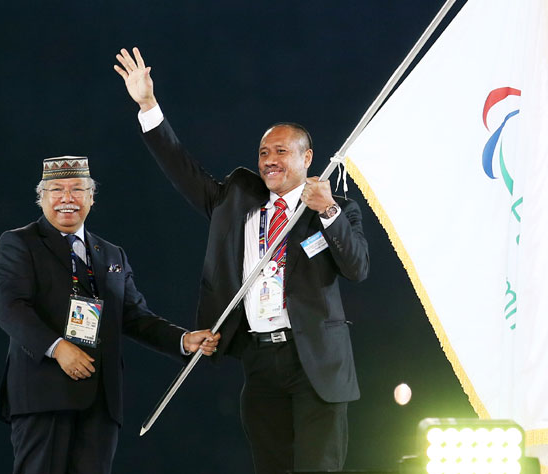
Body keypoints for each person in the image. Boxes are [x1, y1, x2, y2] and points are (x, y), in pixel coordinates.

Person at [114, 47, 369, 474]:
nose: (269, 160)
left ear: (307, 158)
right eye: (264, 152)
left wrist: (328, 212)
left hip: (316, 362)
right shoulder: (237, 198)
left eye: (281, 151)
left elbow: (358, 268)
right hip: (259, 358)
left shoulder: (334, 208)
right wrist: (148, 105)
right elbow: (182, 168)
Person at [0, 155, 220, 474]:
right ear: (41, 197)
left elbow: (135, 316)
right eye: (56, 189)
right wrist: (58, 348)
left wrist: (183, 340)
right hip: (43, 395)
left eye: (77, 189)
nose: (67, 198)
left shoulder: (111, 254)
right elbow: (9, 307)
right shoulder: (19, 243)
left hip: (100, 401)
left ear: (91, 197)